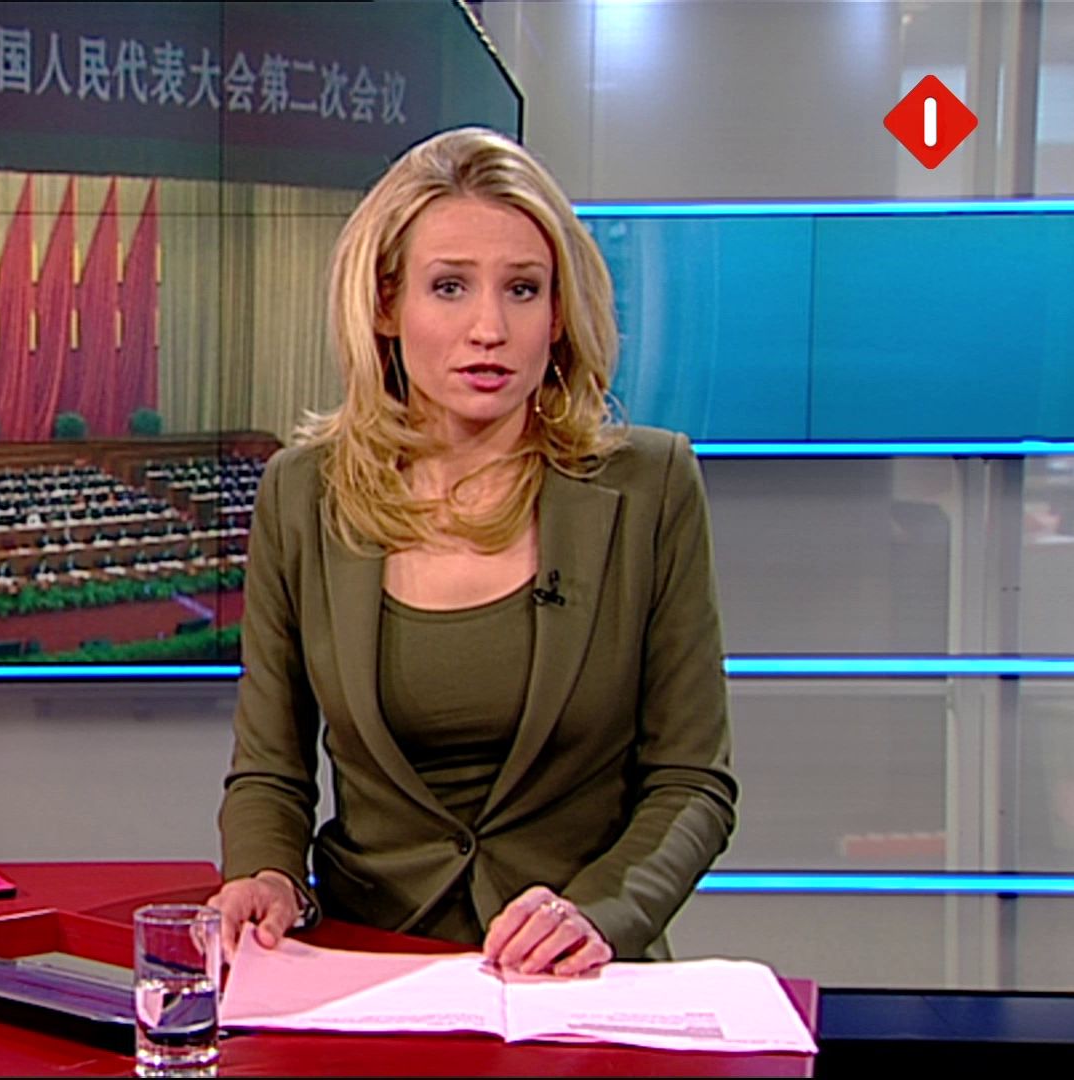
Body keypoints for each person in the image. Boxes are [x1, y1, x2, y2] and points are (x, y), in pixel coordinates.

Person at [207, 127, 735, 980]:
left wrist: (600, 913)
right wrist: (264, 875)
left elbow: (691, 781)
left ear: (558, 313)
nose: (489, 328)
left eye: (523, 289)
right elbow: (272, 769)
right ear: (386, 304)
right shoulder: (302, 494)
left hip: (577, 979)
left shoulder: (651, 487)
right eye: (449, 286)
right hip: (370, 965)